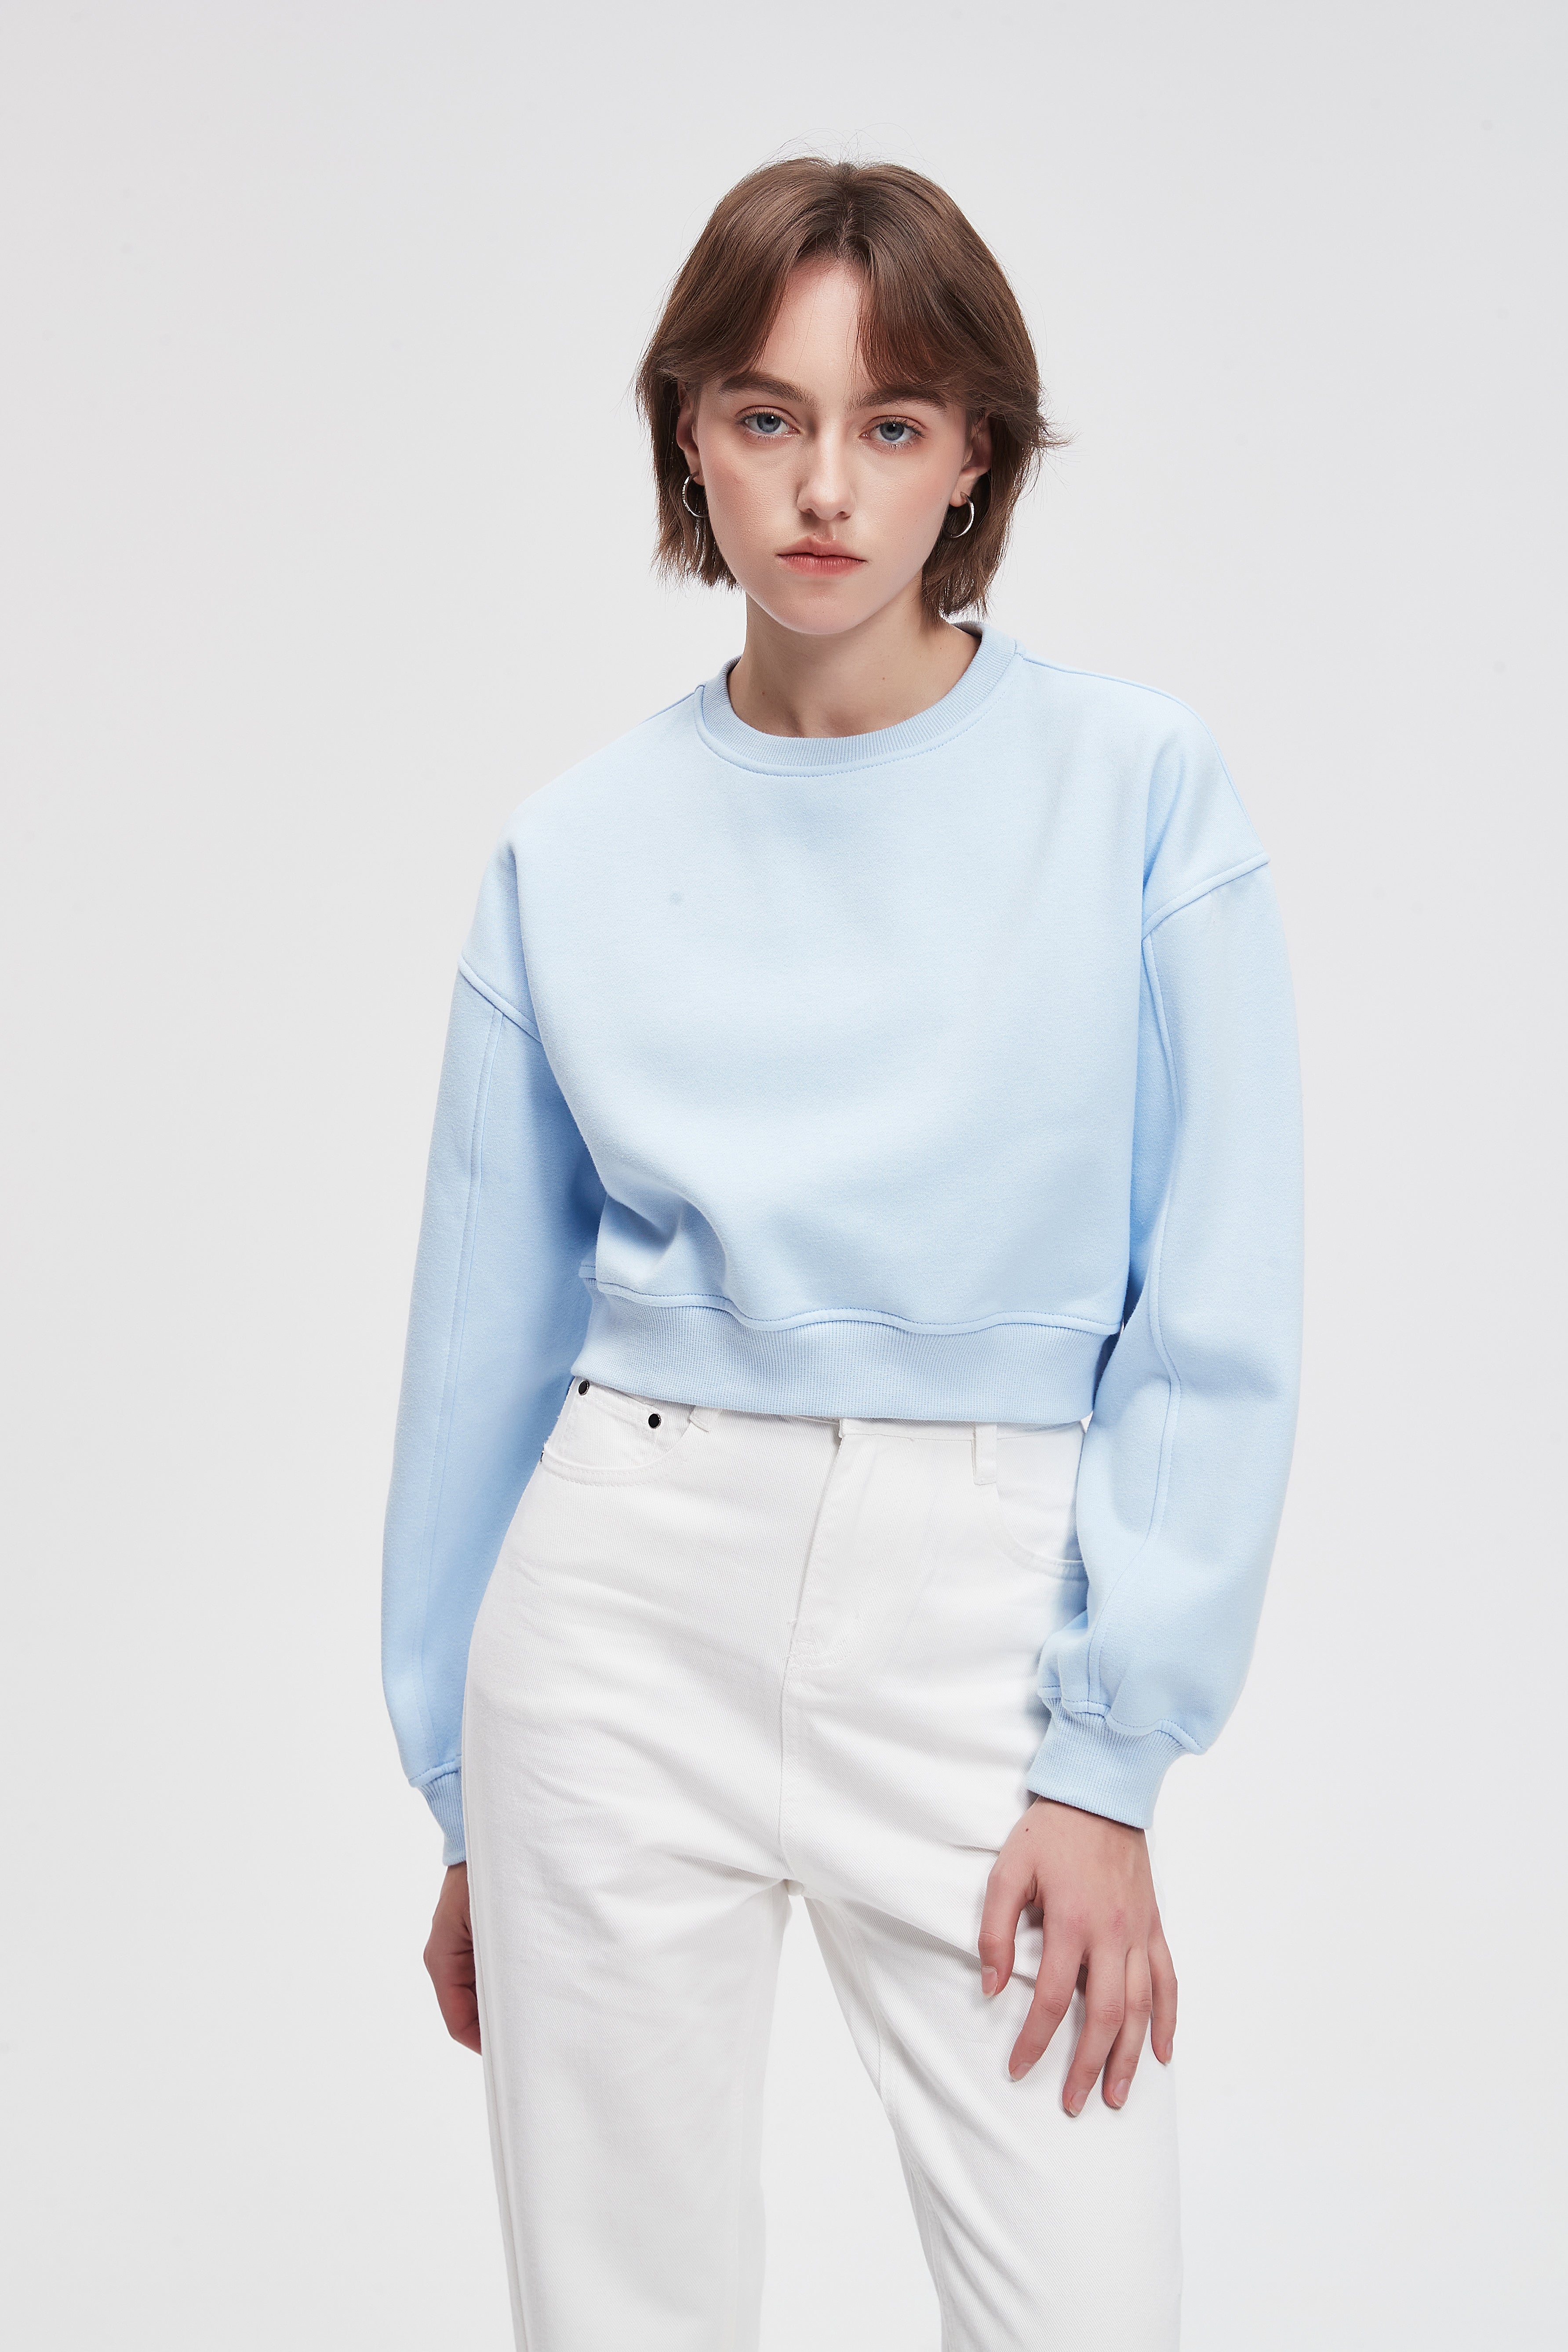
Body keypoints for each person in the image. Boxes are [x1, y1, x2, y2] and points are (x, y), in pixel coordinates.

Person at [380, 156, 1303, 2351]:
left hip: (986, 1631)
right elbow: (477, 1345)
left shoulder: (1133, 789)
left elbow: (1218, 1296)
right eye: (766, 415)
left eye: (890, 423)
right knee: (619, 2318)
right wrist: (460, 1794)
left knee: (1084, 2309)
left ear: (973, 454)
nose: (823, 486)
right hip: (616, 1617)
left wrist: (1107, 1761)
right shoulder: (572, 849)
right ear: (688, 437)